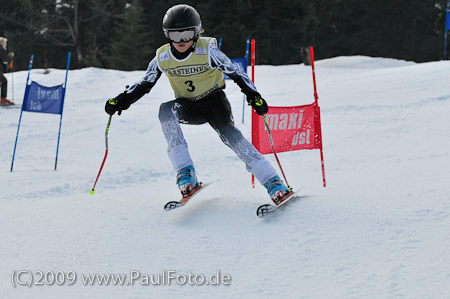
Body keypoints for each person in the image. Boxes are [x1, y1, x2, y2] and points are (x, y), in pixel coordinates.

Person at [105, 4, 290, 203]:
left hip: (214, 102)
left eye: (186, 35)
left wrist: (253, 95)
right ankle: (186, 173)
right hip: (188, 106)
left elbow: (236, 72)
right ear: (167, 35)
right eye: (175, 36)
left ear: (196, 32)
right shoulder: (163, 56)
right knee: (166, 111)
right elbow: (145, 83)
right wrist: (122, 100)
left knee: (230, 136)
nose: (181, 41)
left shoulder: (208, 50)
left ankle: (273, 181)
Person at [0, 37, 15, 105]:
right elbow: (4, 61)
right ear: (2, 43)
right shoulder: (1, 49)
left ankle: (3, 98)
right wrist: (10, 57)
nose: (6, 44)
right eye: (5, 43)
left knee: (3, 81)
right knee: (4, 81)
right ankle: (3, 99)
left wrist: (8, 56)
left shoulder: (2, 50)